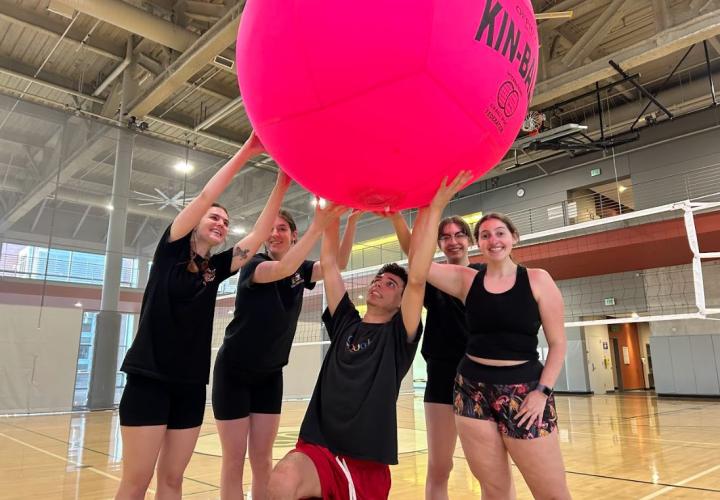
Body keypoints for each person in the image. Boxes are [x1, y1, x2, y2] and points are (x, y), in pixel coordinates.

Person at [265, 171, 472, 500]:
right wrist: (329, 205)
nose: (379, 284)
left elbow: (417, 277)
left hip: (364, 461)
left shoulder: (399, 337)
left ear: (403, 301)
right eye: (378, 279)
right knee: (280, 482)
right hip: (317, 445)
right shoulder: (345, 321)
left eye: (391, 284)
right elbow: (331, 266)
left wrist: (431, 209)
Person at [116, 132, 291, 500]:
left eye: (226, 222)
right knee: (136, 483)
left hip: (190, 386)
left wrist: (282, 181)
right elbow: (204, 196)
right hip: (149, 380)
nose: (221, 223)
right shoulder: (171, 249)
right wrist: (247, 149)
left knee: (172, 481)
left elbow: (259, 235)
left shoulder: (216, 269)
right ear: (196, 222)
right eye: (215, 217)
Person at [212, 205, 360, 499]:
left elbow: (336, 263)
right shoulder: (253, 265)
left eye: (282, 229)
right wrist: (318, 226)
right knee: (233, 460)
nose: (274, 234)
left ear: (293, 235)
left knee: (263, 459)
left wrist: (351, 219)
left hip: (269, 375)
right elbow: (282, 269)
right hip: (234, 373)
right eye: (271, 229)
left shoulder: (301, 270)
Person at [427, 212, 570, 499]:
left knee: (552, 493)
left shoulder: (538, 280)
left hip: (523, 392)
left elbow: (558, 344)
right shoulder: (468, 280)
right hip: (470, 391)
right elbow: (418, 263)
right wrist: (431, 207)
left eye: (500, 232)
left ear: (514, 237)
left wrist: (542, 391)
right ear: (477, 243)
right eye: (485, 235)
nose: (493, 240)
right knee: (494, 490)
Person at [392, 214, 484, 500]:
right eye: (445, 237)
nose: (453, 242)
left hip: (480, 376)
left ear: (469, 240)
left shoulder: (484, 275)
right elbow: (414, 254)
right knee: (439, 466)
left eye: (458, 235)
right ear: (439, 244)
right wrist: (396, 215)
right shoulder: (431, 279)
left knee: (487, 468)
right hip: (442, 375)